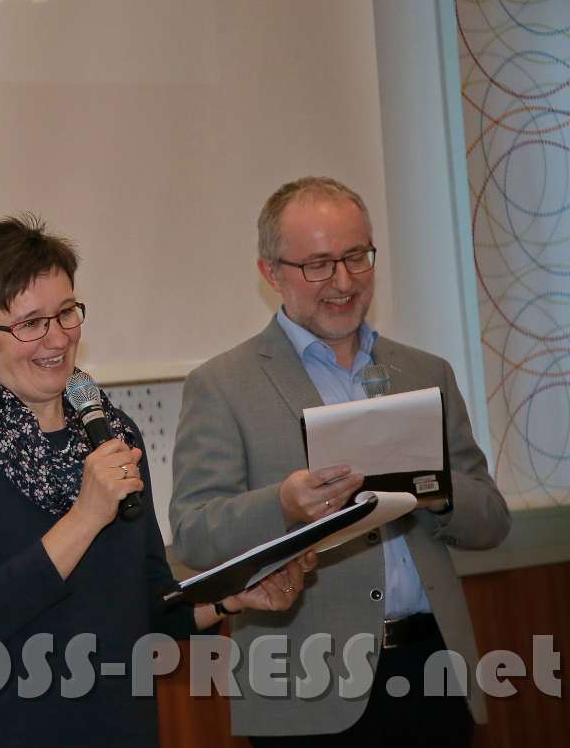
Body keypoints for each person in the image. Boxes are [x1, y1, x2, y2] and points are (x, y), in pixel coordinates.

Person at [0, 214, 315, 748]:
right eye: (31, 324)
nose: (57, 339)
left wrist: (232, 599)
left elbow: (144, 607)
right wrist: (85, 514)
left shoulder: (112, 435)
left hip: (119, 726)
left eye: (67, 313)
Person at [169, 176, 511, 745]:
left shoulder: (425, 373)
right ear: (270, 272)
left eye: (357, 257)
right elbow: (193, 536)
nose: (344, 281)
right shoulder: (222, 385)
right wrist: (281, 505)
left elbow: (492, 520)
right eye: (319, 264)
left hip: (433, 669)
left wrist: (438, 490)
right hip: (306, 687)